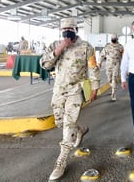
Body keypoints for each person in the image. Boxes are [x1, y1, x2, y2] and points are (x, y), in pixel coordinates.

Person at [40, 17, 101, 180]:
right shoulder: (55, 45)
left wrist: (95, 87)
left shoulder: (86, 47)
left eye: (70, 29)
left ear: (76, 30)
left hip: (76, 90)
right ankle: (80, 130)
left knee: (68, 126)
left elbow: (93, 67)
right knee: (60, 122)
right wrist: (60, 48)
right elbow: (45, 65)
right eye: (64, 30)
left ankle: (61, 162)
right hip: (59, 91)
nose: (67, 32)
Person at [99, 33, 124, 101]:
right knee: (109, 79)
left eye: (114, 38)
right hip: (108, 65)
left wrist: (125, 66)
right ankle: (113, 86)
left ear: (117, 39)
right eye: (112, 39)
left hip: (116, 64)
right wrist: (99, 62)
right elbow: (102, 54)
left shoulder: (120, 47)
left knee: (114, 78)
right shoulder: (107, 46)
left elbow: (124, 56)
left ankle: (113, 93)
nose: (113, 39)